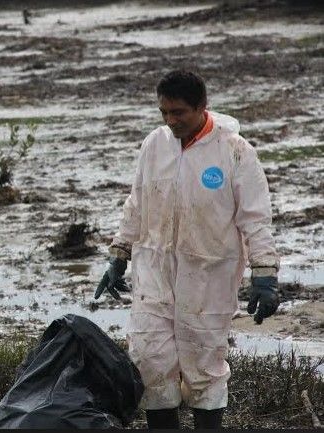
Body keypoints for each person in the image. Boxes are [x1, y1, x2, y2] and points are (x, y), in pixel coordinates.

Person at [95, 70, 279, 429]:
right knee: (151, 360)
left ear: (202, 106)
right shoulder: (154, 144)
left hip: (208, 276)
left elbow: (255, 218)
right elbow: (137, 202)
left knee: (203, 365)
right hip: (154, 272)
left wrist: (265, 273)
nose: (170, 121)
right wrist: (119, 253)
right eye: (164, 112)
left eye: (178, 112)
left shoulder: (235, 151)